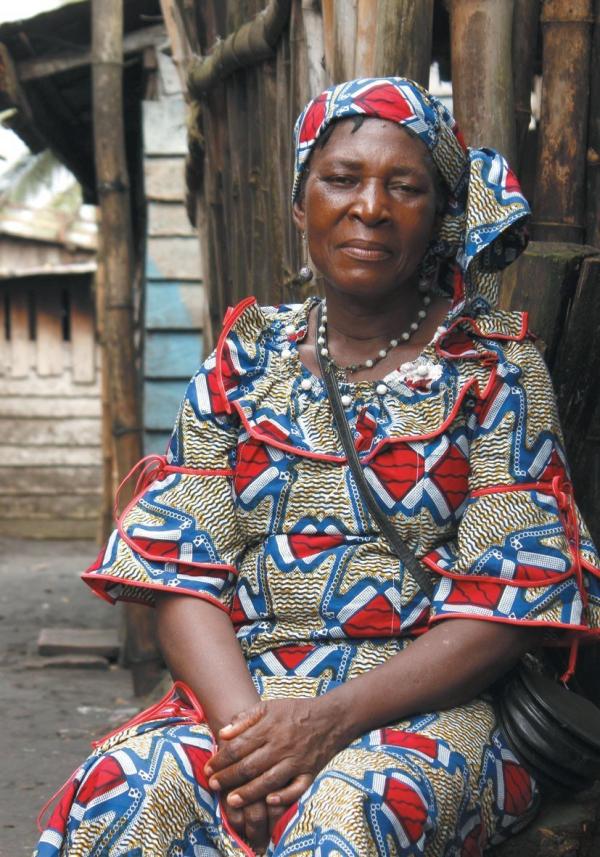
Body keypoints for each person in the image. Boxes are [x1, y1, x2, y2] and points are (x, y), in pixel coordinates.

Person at [34, 77, 600, 857]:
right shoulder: (244, 356)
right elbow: (180, 573)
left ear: (438, 218)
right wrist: (250, 742)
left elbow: (506, 607)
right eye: (341, 179)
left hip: (430, 705)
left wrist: (327, 722)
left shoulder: (495, 370)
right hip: (251, 696)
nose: (370, 207)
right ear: (300, 205)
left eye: (404, 187)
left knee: (344, 812)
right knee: (128, 791)